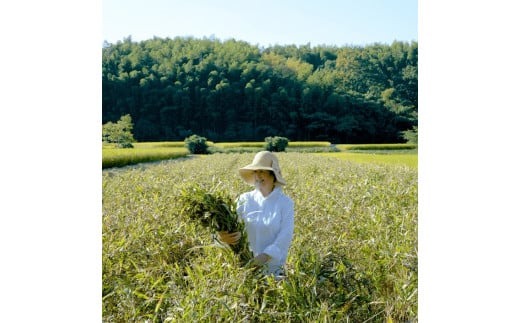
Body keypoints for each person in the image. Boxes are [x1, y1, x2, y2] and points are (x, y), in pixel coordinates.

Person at [219, 151, 294, 277]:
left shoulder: (285, 203)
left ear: (273, 175)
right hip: (243, 269)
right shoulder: (244, 199)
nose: (258, 176)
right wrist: (223, 237)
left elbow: (285, 237)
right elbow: (229, 225)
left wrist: (264, 257)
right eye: (255, 171)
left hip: (272, 271)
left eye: (262, 171)